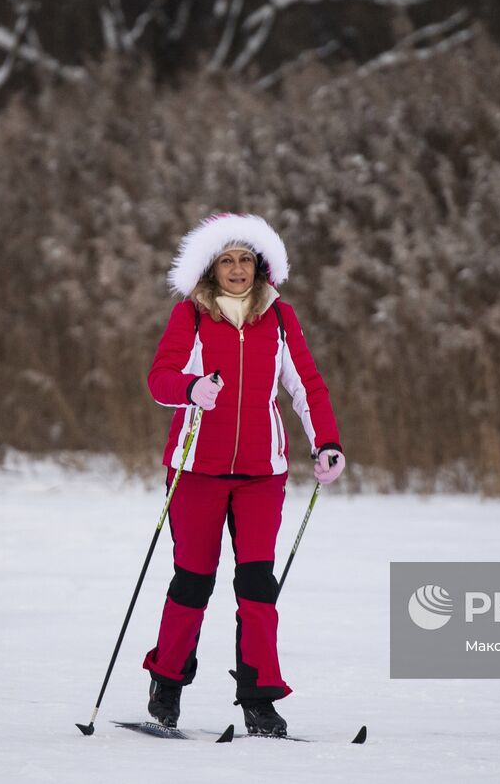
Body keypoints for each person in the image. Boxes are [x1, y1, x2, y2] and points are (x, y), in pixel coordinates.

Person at [142, 212, 345, 737]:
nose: (237, 269)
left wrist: (326, 442)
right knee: (193, 582)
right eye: (227, 260)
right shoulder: (190, 315)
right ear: (212, 268)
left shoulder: (279, 318)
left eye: (246, 260)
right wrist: (190, 389)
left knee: (257, 586)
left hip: (262, 474)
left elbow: (307, 387)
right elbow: (160, 378)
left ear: (262, 266)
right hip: (197, 471)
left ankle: (259, 699)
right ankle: (166, 685)